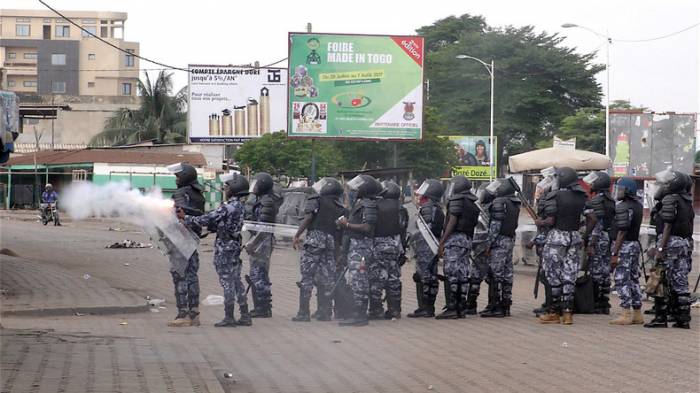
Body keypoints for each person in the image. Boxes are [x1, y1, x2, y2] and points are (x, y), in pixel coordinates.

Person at [178, 173, 251, 327]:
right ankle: (245, 315)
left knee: (227, 282)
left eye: (227, 186)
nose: (225, 189)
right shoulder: (240, 206)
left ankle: (229, 317)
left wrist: (186, 218)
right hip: (235, 246)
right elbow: (217, 222)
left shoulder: (228, 207)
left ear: (234, 188)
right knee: (237, 281)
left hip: (225, 248)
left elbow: (207, 219)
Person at [536, 167, 586, 325]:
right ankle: (568, 313)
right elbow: (591, 218)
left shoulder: (555, 195)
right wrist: (584, 234)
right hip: (575, 237)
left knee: (553, 275)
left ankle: (553, 312)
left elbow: (550, 221)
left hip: (557, 237)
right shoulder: (582, 196)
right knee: (569, 276)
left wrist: (540, 222)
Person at [292, 177, 346, 322]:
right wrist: (339, 253)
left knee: (307, 276)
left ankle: (303, 313)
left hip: (314, 240)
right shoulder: (340, 207)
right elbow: (340, 232)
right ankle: (325, 312)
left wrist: (297, 235)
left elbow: (309, 217)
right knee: (326, 277)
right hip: (330, 243)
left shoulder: (316, 199)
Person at [645, 170, 694, 329]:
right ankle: (683, 318)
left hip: (670, 243)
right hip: (683, 244)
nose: (663, 185)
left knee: (660, 279)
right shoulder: (686, 201)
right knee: (680, 280)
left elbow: (667, 225)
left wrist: (660, 248)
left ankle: (660, 318)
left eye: (666, 183)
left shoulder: (670, 199)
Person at [336, 174, 381, 326]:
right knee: (355, 280)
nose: (354, 189)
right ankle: (356, 312)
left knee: (360, 280)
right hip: (356, 247)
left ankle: (360, 315)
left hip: (362, 247)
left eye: (358, 186)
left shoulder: (368, 205)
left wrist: (347, 225)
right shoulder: (360, 203)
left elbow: (367, 227)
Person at [166, 163, 205, 327]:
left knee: (179, 275)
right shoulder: (198, 193)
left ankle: (183, 314)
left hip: (181, 239)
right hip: (193, 239)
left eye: (177, 176)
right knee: (192, 276)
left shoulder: (181, 192)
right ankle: (194, 314)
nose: (176, 179)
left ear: (185, 176)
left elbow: (179, 214)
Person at [436, 175, 479, 319]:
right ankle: (461, 307)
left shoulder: (457, 199)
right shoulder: (472, 201)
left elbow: (452, 221)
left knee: (452, 274)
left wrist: (442, 241)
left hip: (455, 239)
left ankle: (452, 307)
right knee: (463, 274)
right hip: (466, 240)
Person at [480, 178, 521, 318]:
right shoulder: (514, 203)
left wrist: (488, 245)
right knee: (507, 274)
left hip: (498, 242)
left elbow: (495, 227)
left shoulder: (499, 202)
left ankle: (496, 307)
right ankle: (506, 305)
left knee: (496, 274)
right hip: (509, 240)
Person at [609, 177, 645, 325]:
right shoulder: (638, 205)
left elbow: (622, 231)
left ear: (628, 191)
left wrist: (614, 253)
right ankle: (637, 313)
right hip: (634, 245)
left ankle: (625, 312)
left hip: (624, 246)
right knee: (633, 279)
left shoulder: (624, 206)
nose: (617, 192)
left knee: (621, 279)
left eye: (620, 189)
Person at [407, 179, 445, 318]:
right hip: (426, 248)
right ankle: (424, 306)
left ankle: (427, 308)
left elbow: (426, 230)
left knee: (427, 277)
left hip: (426, 248)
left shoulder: (429, 208)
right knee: (423, 276)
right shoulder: (432, 207)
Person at [370, 180, 408, 319]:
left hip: (378, 245)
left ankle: (376, 309)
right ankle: (395, 310)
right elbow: (403, 230)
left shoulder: (376, 206)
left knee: (376, 278)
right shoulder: (401, 208)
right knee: (394, 278)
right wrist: (403, 249)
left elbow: (371, 227)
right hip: (396, 245)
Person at [245, 172, 280, 318]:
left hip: (262, 242)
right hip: (260, 240)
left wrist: (253, 243)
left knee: (259, 274)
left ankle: (263, 308)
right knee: (258, 274)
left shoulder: (266, 202)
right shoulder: (263, 200)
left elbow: (263, 226)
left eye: (257, 183)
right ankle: (261, 307)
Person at [582, 171, 615, 314]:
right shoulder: (611, 200)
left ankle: (596, 302)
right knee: (605, 271)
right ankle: (604, 302)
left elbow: (597, 224)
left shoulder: (596, 201)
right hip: (609, 238)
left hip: (599, 239)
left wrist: (590, 243)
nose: (591, 184)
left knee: (596, 270)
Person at [528, 169, 555, 316]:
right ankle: (549, 303)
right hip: (548, 241)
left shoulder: (551, 200)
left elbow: (548, 225)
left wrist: (540, 223)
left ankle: (551, 305)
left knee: (548, 275)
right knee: (547, 276)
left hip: (549, 243)